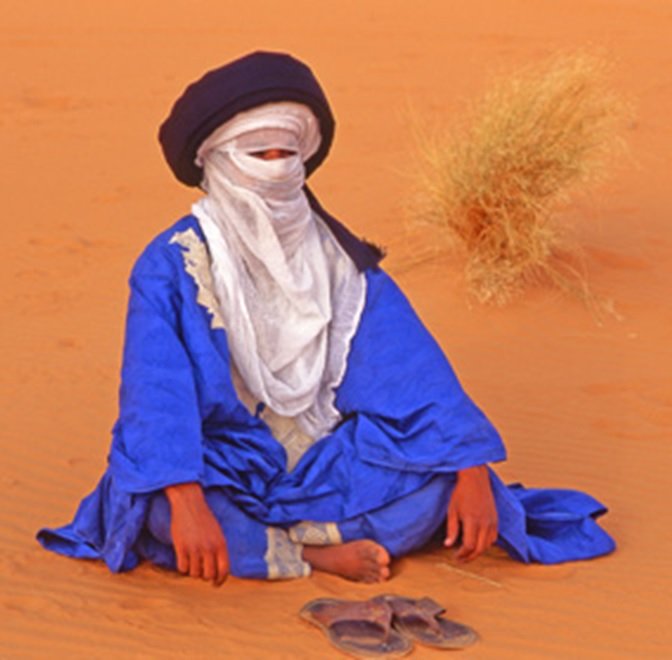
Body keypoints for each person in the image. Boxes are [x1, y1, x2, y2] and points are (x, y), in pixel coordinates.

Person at [38, 51, 615, 584]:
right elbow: (153, 397)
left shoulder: (338, 260)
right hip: (224, 458)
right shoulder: (171, 266)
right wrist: (187, 501)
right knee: (157, 509)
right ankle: (312, 553)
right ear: (213, 162)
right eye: (256, 155)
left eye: (286, 154)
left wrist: (468, 472)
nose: (275, 170)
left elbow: (409, 367)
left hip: (326, 454)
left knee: (439, 485)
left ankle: (273, 545)